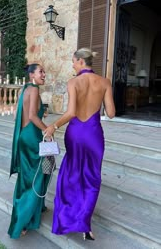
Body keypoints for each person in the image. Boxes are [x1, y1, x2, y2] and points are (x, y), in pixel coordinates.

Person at [44, 48, 115, 240]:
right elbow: (111, 113)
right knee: (92, 177)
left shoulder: (73, 82)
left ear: (81, 62)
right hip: (93, 134)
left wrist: (53, 126)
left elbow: (71, 113)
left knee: (72, 174)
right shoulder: (105, 82)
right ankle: (85, 224)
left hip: (75, 132)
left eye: (73, 62)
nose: (72, 65)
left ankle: (67, 219)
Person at [8, 63, 50, 239]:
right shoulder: (34, 90)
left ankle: (37, 208)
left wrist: (41, 114)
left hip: (25, 137)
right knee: (40, 173)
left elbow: (19, 116)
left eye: (44, 72)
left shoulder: (24, 89)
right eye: (41, 72)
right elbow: (32, 115)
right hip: (33, 138)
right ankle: (23, 221)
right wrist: (47, 129)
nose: (44, 75)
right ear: (32, 75)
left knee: (33, 175)